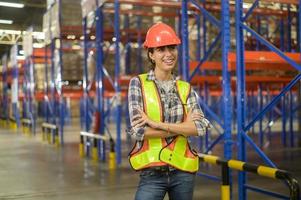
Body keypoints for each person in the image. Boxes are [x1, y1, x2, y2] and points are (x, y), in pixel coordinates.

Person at [127, 22, 211, 200]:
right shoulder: (138, 84)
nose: (168, 54)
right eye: (161, 49)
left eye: (172, 48)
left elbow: (200, 128)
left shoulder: (185, 88)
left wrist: (156, 124)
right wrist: (183, 126)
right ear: (151, 54)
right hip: (152, 173)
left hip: (183, 171)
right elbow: (139, 131)